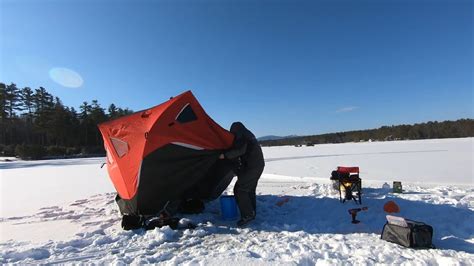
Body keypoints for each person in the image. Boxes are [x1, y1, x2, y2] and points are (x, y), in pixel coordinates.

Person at [219, 122, 265, 227]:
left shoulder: (242, 136)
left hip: (252, 167)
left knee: (240, 190)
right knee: (249, 189)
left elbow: (240, 150)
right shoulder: (248, 135)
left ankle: (247, 215)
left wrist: (224, 155)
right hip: (257, 166)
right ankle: (251, 213)